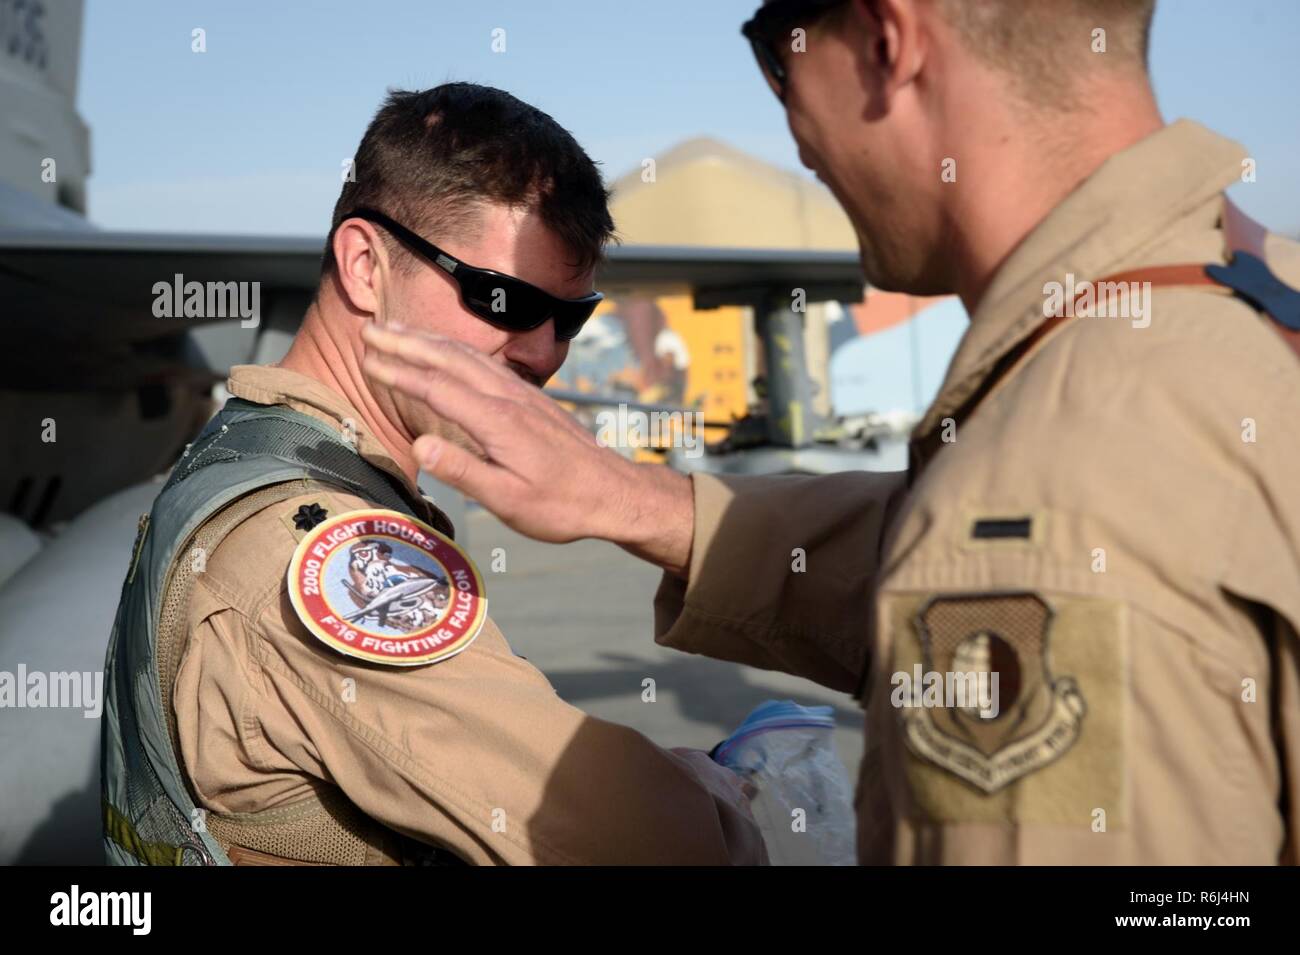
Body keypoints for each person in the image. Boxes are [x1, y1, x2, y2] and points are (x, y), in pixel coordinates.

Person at [361, 0, 1300, 864]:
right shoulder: (1255, 301)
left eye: (780, 58)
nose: (795, 139)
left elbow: (1029, 554)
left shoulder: (1042, 485)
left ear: (889, 44)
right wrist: (637, 500)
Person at [100, 83, 766, 866]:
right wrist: (712, 796)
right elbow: (643, 840)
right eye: (503, 299)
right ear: (364, 264)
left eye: (570, 316)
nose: (546, 352)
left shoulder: (244, 457)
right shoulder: (315, 547)